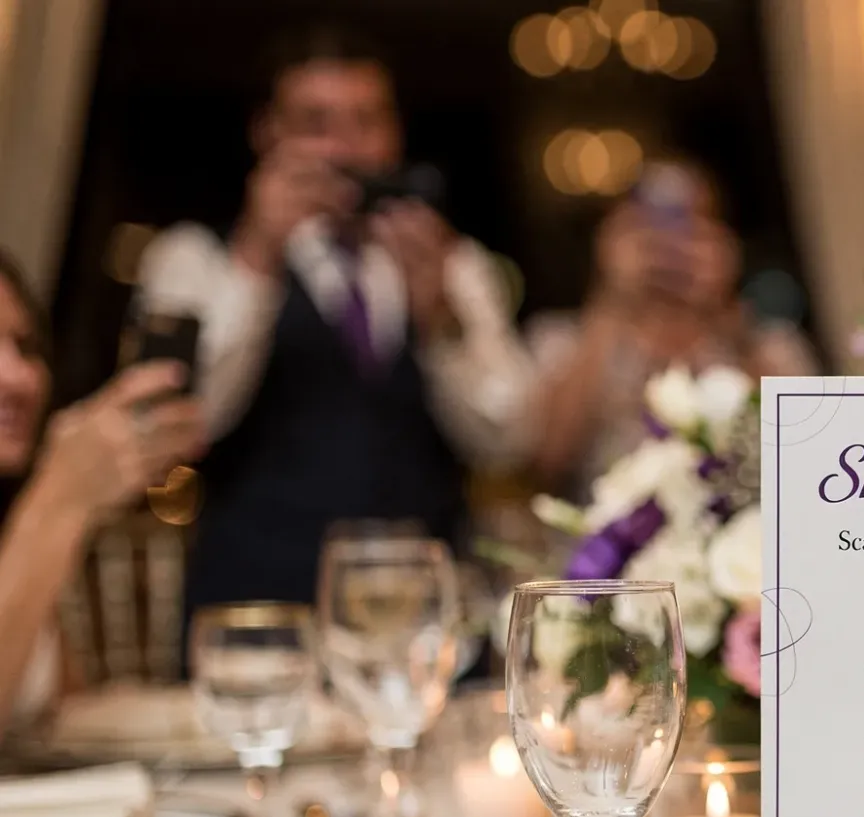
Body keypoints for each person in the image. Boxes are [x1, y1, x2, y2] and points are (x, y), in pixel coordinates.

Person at [134, 26, 537, 612]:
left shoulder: (455, 262)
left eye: (366, 122)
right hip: (256, 612)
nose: (346, 151)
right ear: (267, 133)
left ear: (395, 132)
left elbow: (510, 442)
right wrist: (257, 256)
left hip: (420, 619)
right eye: (317, 125)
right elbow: (182, 425)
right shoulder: (192, 258)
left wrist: (443, 322)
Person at [0, 252, 207, 726]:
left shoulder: (13, 523)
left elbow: (62, 720)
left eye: (26, 347)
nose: (20, 377)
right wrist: (61, 495)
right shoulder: (43, 512)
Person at [528, 158, 814, 496]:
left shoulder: (765, 341)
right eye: (648, 230)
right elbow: (548, 461)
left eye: (691, 229)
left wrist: (725, 309)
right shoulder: (562, 339)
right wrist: (611, 300)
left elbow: (807, 448)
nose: (670, 249)